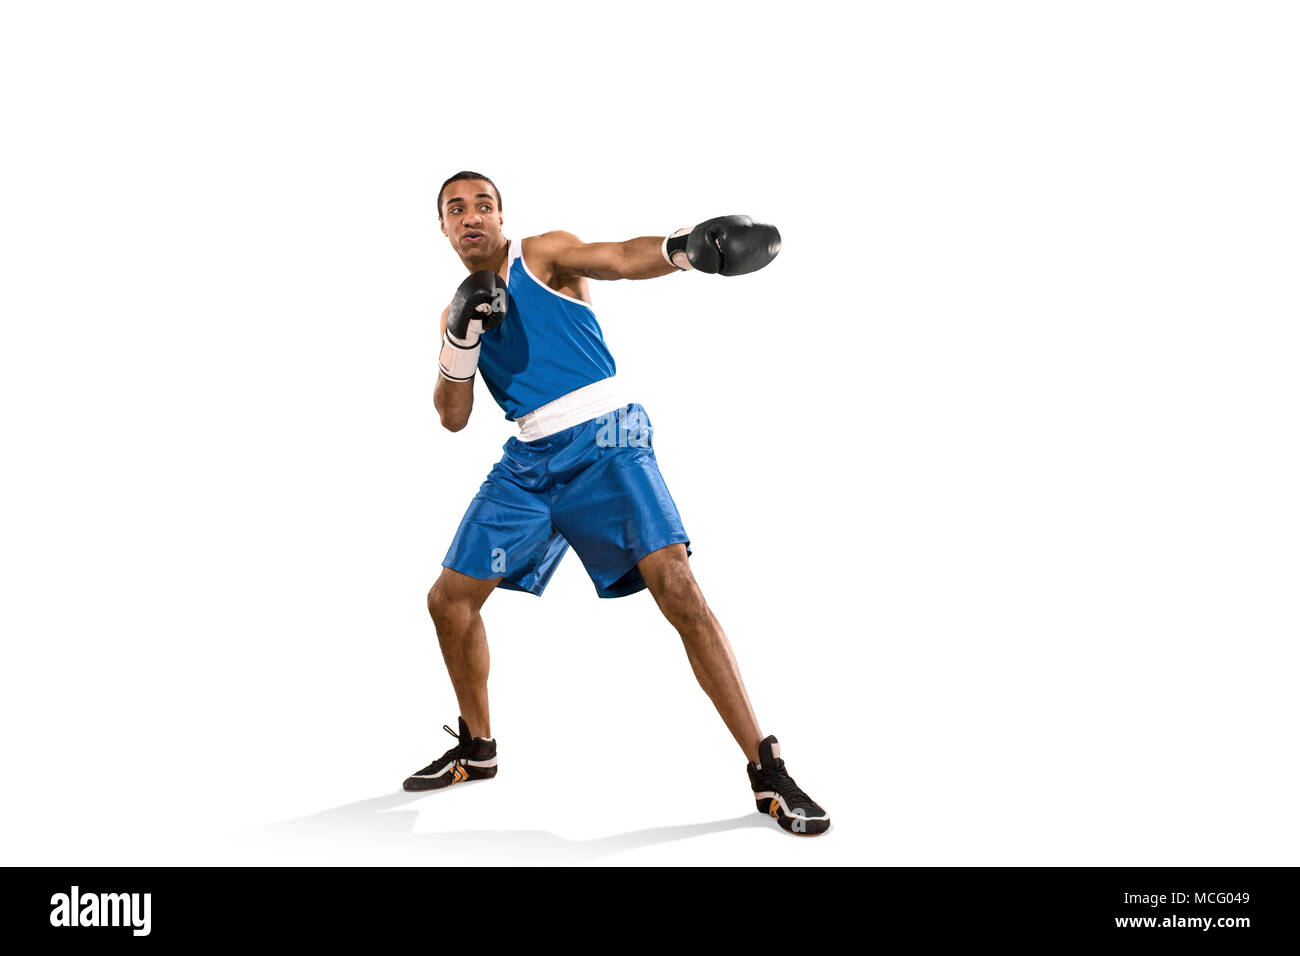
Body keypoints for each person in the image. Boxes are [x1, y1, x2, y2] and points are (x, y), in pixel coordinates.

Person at [403, 171, 829, 836]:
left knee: (680, 589)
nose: (471, 216)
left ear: (501, 214)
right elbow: (453, 417)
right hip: (529, 461)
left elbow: (620, 258)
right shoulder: (455, 310)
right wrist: (459, 343)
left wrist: (685, 248)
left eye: (483, 203)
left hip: (607, 440)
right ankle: (478, 747)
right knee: (447, 600)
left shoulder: (541, 255)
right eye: (455, 209)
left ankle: (765, 768)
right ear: (443, 228)